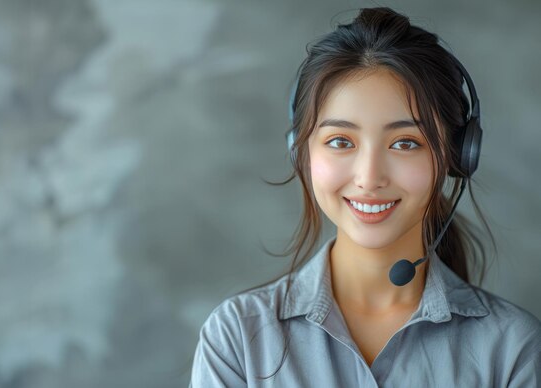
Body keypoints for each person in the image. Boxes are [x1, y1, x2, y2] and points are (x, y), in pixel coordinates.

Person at [189, 7, 541, 387]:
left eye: (405, 143)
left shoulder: (511, 348)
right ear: (301, 152)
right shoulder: (238, 340)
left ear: (456, 156)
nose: (369, 177)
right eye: (341, 141)